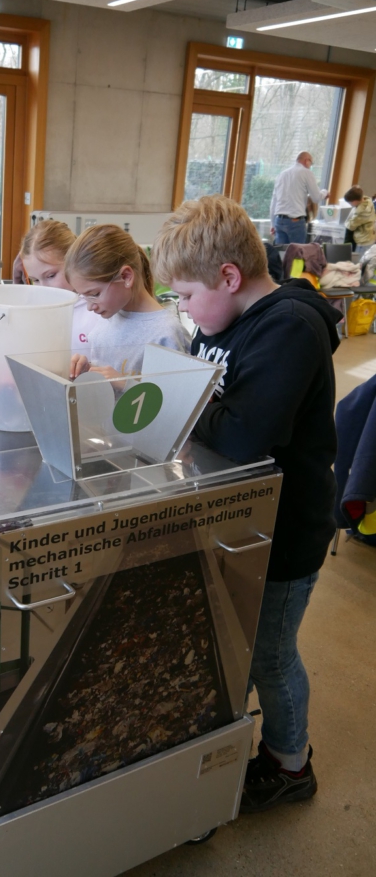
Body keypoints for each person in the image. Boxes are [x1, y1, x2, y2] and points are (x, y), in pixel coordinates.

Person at [152, 194, 341, 814]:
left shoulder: (290, 327)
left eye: (185, 295)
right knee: (240, 641)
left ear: (229, 277)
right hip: (238, 520)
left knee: (271, 655)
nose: (182, 310)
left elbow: (240, 435)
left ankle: (290, 763)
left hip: (286, 532)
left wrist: (184, 400)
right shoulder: (224, 321)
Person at [66, 224, 190, 380]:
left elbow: (175, 393)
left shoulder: (166, 334)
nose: (89, 307)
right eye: (83, 296)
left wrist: (125, 384)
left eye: (94, 294)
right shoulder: (106, 322)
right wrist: (87, 370)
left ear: (126, 277)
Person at [17, 220, 99, 352]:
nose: (44, 289)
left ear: (73, 262)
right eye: (35, 280)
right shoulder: (31, 312)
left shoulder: (99, 309)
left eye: (51, 276)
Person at [269, 151, 325, 245]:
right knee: (297, 252)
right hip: (295, 221)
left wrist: (272, 223)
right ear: (307, 161)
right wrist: (325, 193)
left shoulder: (281, 174)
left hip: (279, 221)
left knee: (281, 252)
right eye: (311, 163)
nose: (310, 166)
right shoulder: (306, 172)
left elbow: (274, 202)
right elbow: (316, 198)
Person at [343, 185, 376, 255]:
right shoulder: (368, 201)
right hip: (369, 237)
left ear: (355, 201)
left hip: (363, 241)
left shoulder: (361, 213)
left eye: (350, 202)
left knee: (360, 260)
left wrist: (346, 223)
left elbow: (350, 226)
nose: (350, 204)